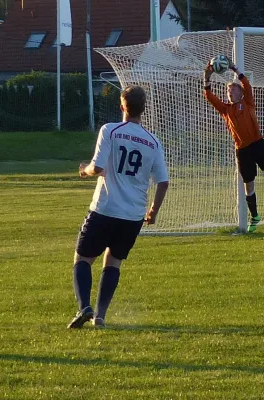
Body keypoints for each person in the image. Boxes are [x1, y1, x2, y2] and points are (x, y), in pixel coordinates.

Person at [67, 85, 169, 329]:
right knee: (113, 262)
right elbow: (163, 182)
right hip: (133, 215)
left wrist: (84, 170)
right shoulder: (153, 142)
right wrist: (152, 212)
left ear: (122, 106)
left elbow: (98, 168)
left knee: (82, 259)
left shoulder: (110, 130)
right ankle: (100, 316)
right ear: (143, 110)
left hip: (105, 208)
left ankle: (85, 308)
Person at [203, 57, 264, 232]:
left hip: (258, 144)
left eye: (232, 91)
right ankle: (255, 217)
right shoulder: (226, 110)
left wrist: (234, 68)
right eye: (228, 92)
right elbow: (209, 96)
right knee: (249, 184)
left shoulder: (248, 102)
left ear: (240, 93)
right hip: (242, 150)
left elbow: (246, 84)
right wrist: (207, 76)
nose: (229, 93)